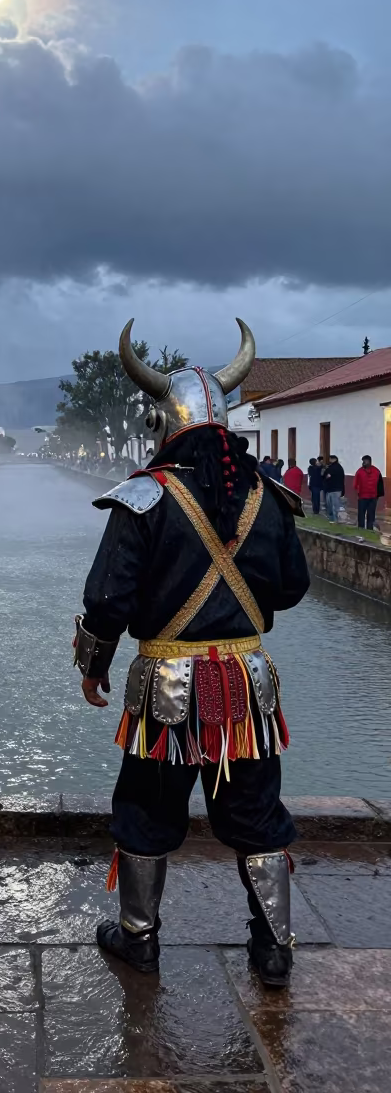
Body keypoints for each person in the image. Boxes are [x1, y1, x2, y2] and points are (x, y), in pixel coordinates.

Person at [75, 318, 309, 989]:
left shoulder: (144, 496)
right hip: (244, 683)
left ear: (160, 422)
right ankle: (272, 947)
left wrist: (93, 666)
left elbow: (106, 600)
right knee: (256, 812)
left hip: (164, 687)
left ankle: (140, 938)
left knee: (147, 810)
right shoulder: (269, 498)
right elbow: (291, 589)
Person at [353, 455, 384, 531]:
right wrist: (358, 492)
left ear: (369, 461)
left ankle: (369, 530)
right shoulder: (359, 471)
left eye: (365, 461)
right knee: (361, 515)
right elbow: (355, 484)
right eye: (363, 461)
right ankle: (361, 529)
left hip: (372, 497)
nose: (363, 463)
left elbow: (380, 484)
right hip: (363, 497)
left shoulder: (376, 471)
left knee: (371, 515)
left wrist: (378, 496)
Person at [322, 455, 345, 522]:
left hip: (333, 489)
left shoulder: (333, 468)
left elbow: (326, 476)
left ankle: (334, 520)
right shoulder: (338, 467)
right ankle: (333, 520)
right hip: (335, 489)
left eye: (330, 459)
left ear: (333, 459)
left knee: (333, 507)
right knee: (332, 506)